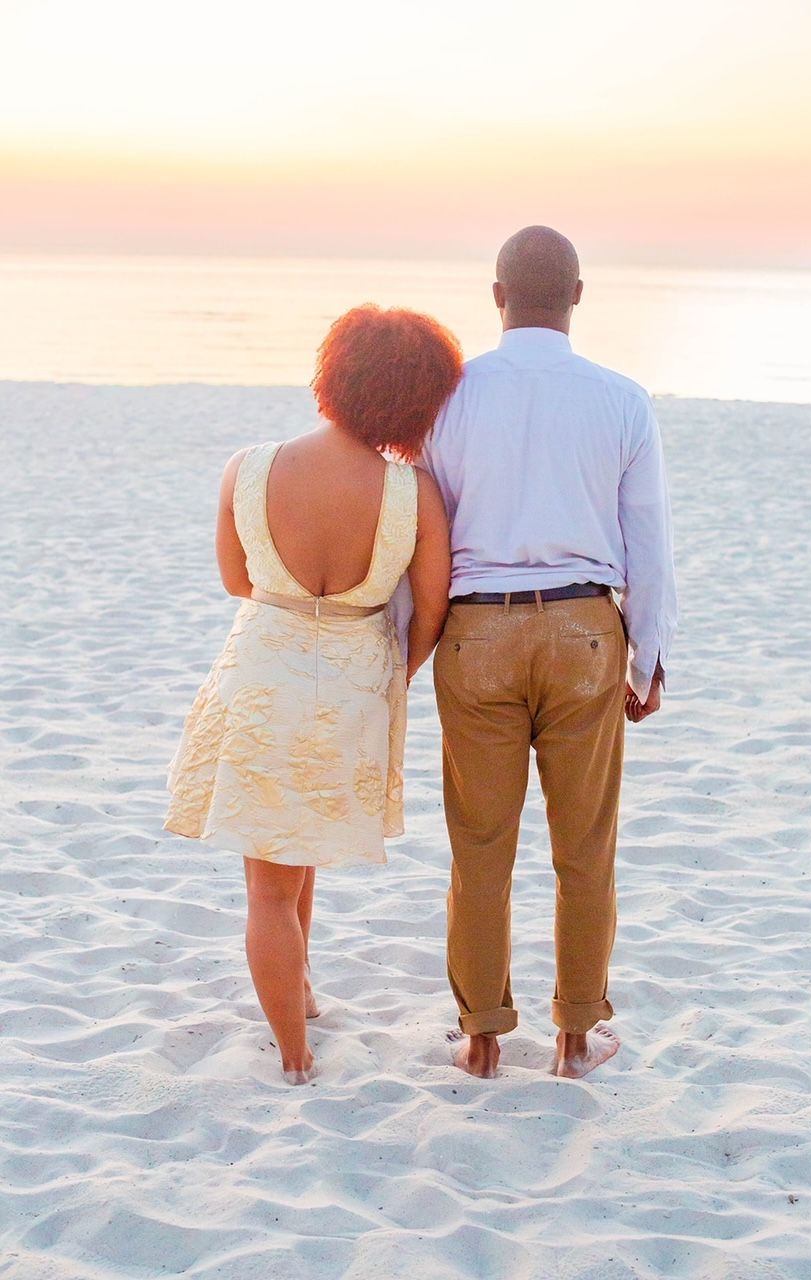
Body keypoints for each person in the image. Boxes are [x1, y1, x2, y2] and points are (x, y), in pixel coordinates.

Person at [165, 305, 462, 1083]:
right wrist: (395, 674)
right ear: (417, 399)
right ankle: (298, 1019)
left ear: (333, 376)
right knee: (296, 857)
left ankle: (294, 1047)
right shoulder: (413, 492)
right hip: (356, 674)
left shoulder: (250, 466)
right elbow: (431, 608)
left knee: (268, 876)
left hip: (265, 661)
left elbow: (237, 581)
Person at [420, 226, 677, 1080]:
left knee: (480, 845)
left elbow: (423, 539)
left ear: (498, 296)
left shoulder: (445, 397)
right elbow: (650, 542)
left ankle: (483, 1038)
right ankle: (573, 1037)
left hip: (477, 630)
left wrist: (408, 647)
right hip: (584, 631)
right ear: (577, 295)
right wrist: (649, 656)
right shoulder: (621, 398)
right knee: (585, 846)